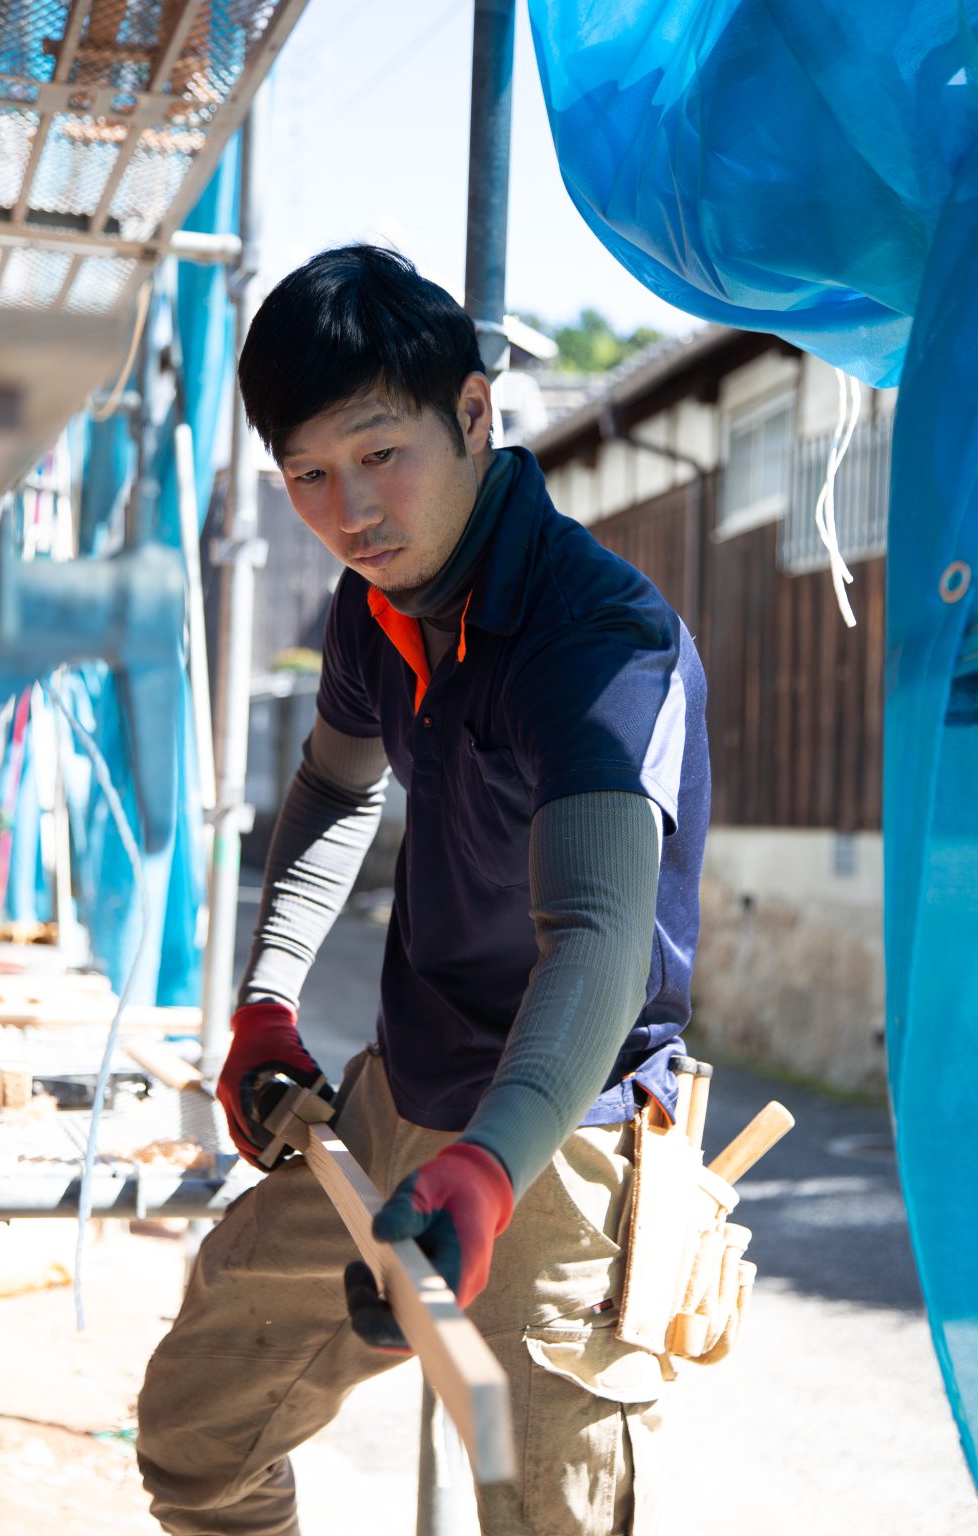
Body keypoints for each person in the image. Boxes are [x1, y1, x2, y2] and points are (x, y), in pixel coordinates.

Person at [137, 244, 710, 1536]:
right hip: (403, 1092)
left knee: (546, 1512)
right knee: (199, 1438)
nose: (350, 511)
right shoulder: (369, 609)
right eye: (308, 477)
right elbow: (341, 789)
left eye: (379, 453)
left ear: (473, 413)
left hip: (564, 1141)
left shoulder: (597, 641)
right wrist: (270, 1001)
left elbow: (601, 935)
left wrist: (494, 1170)